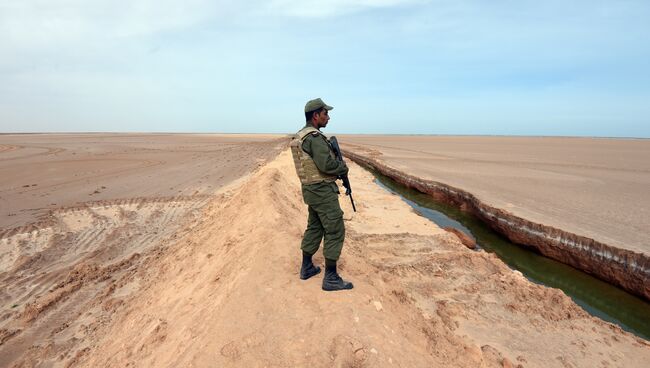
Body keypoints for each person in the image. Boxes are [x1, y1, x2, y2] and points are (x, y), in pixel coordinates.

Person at [290, 98, 353, 291]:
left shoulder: (301, 135)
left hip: (311, 190)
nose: (329, 117)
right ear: (316, 115)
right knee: (335, 229)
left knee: (315, 227)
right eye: (326, 113)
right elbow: (326, 165)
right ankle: (331, 278)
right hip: (322, 190)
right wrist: (343, 167)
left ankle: (307, 267)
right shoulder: (315, 138)